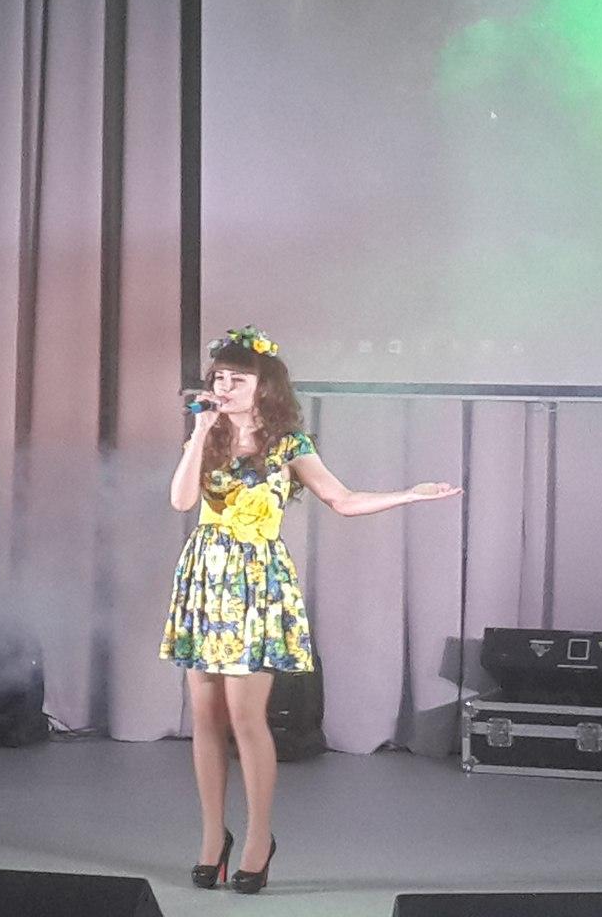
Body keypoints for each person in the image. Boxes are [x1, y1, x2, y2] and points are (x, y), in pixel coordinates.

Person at [160, 326, 462, 895]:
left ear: (264, 385)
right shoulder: (207, 436)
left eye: (238, 379)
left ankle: (258, 839)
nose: (224, 388)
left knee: (246, 718)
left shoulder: (288, 444)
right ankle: (211, 838)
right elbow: (181, 500)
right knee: (205, 717)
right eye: (219, 378)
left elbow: (341, 500)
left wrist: (408, 494)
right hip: (205, 577)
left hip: (256, 582)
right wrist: (199, 432)